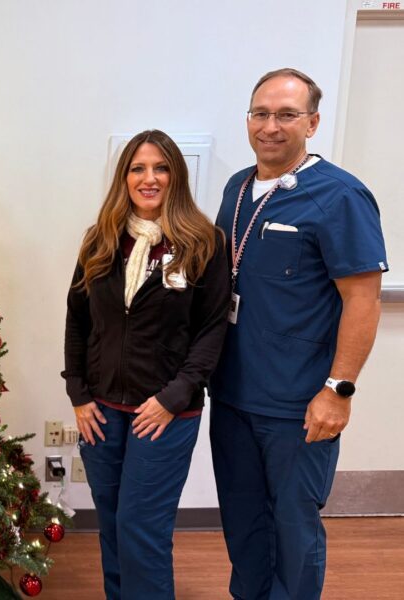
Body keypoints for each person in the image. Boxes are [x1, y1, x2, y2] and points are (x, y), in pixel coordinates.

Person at [210, 68, 386, 599]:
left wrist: (338, 390)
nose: (271, 126)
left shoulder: (340, 196)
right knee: (244, 525)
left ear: (312, 121)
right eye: (261, 113)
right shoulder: (236, 188)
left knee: (293, 529)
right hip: (234, 395)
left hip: (298, 403)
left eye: (287, 114)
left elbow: (364, 299)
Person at [63, 130, 231, 599]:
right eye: (138, 168)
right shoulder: (100, 241)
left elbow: (213, 330)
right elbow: (77, 321)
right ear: (124, 178)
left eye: (160, 168)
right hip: (100, 410)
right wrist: (78, 395)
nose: (149, 178)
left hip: (165, 413)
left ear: (176, 176)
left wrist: (172, 398)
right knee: (114, 524)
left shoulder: (204, 243)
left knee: (143, 529)